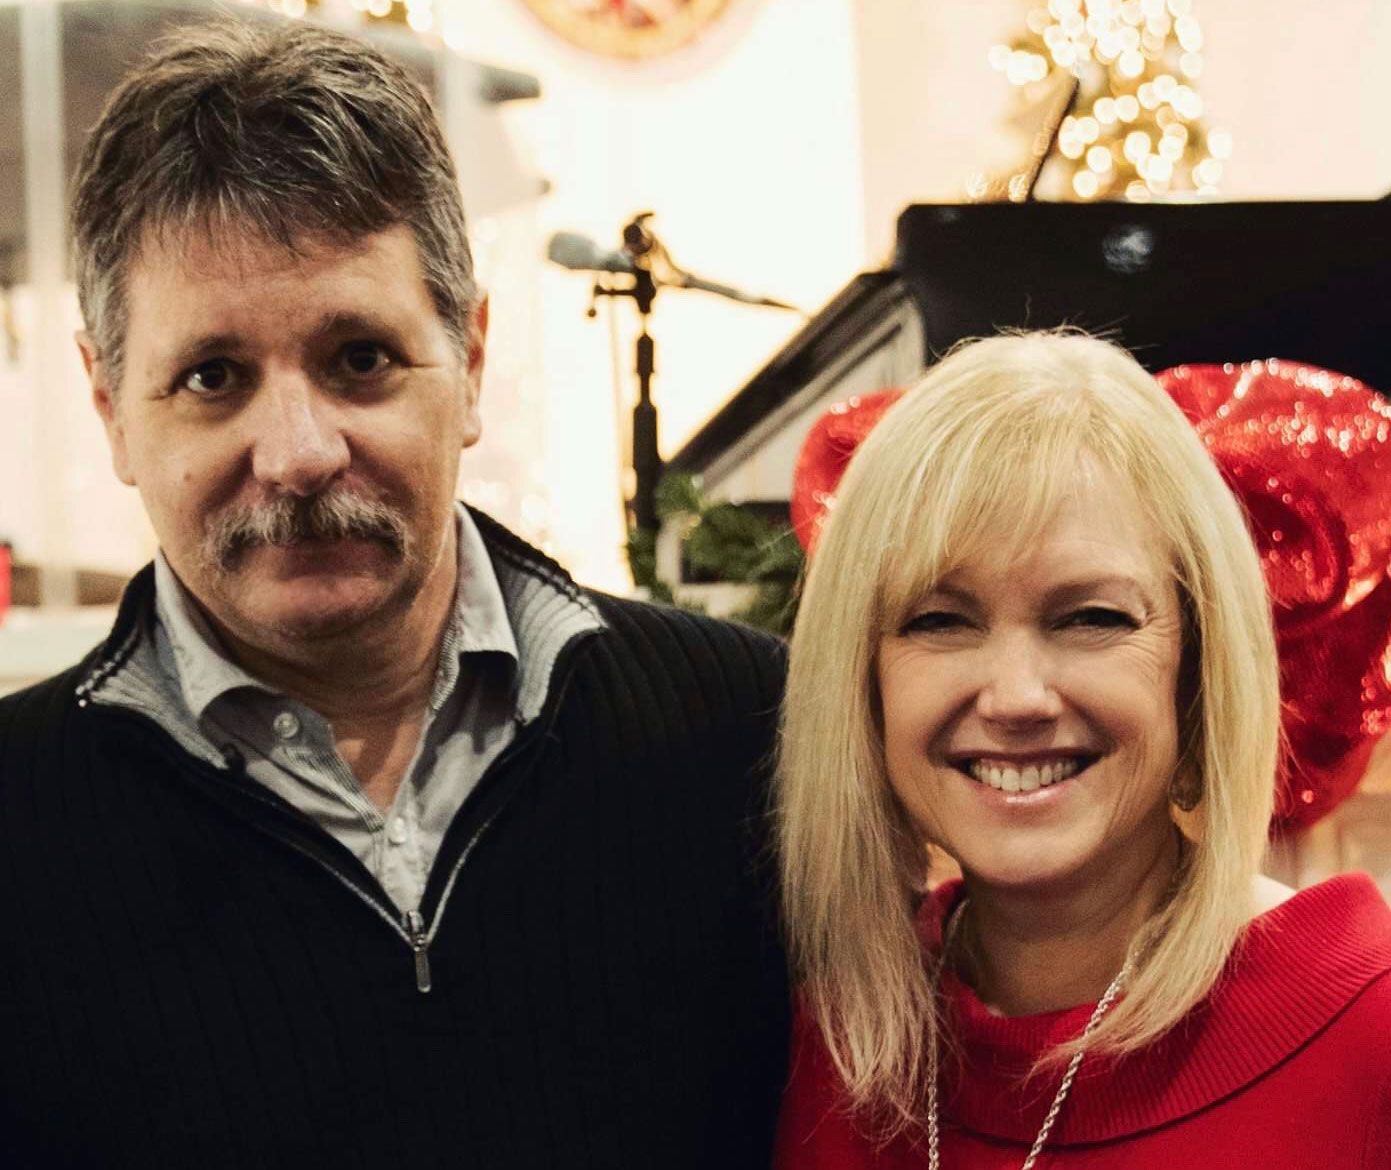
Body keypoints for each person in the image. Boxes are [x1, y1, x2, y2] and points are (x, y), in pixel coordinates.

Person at [0, 19, 789, 1168]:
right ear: (111, 404)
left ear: (468, 361)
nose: (298, 450)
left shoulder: (747, 732)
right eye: (213, 377)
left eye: (359, 358)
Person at [773, 332, 1391, 1167]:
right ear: (862, 682)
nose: (1017, 697)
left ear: (1195, 670)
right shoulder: (834, 1035)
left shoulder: (1366, 1029)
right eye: (939, 620)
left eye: (1092, 618)